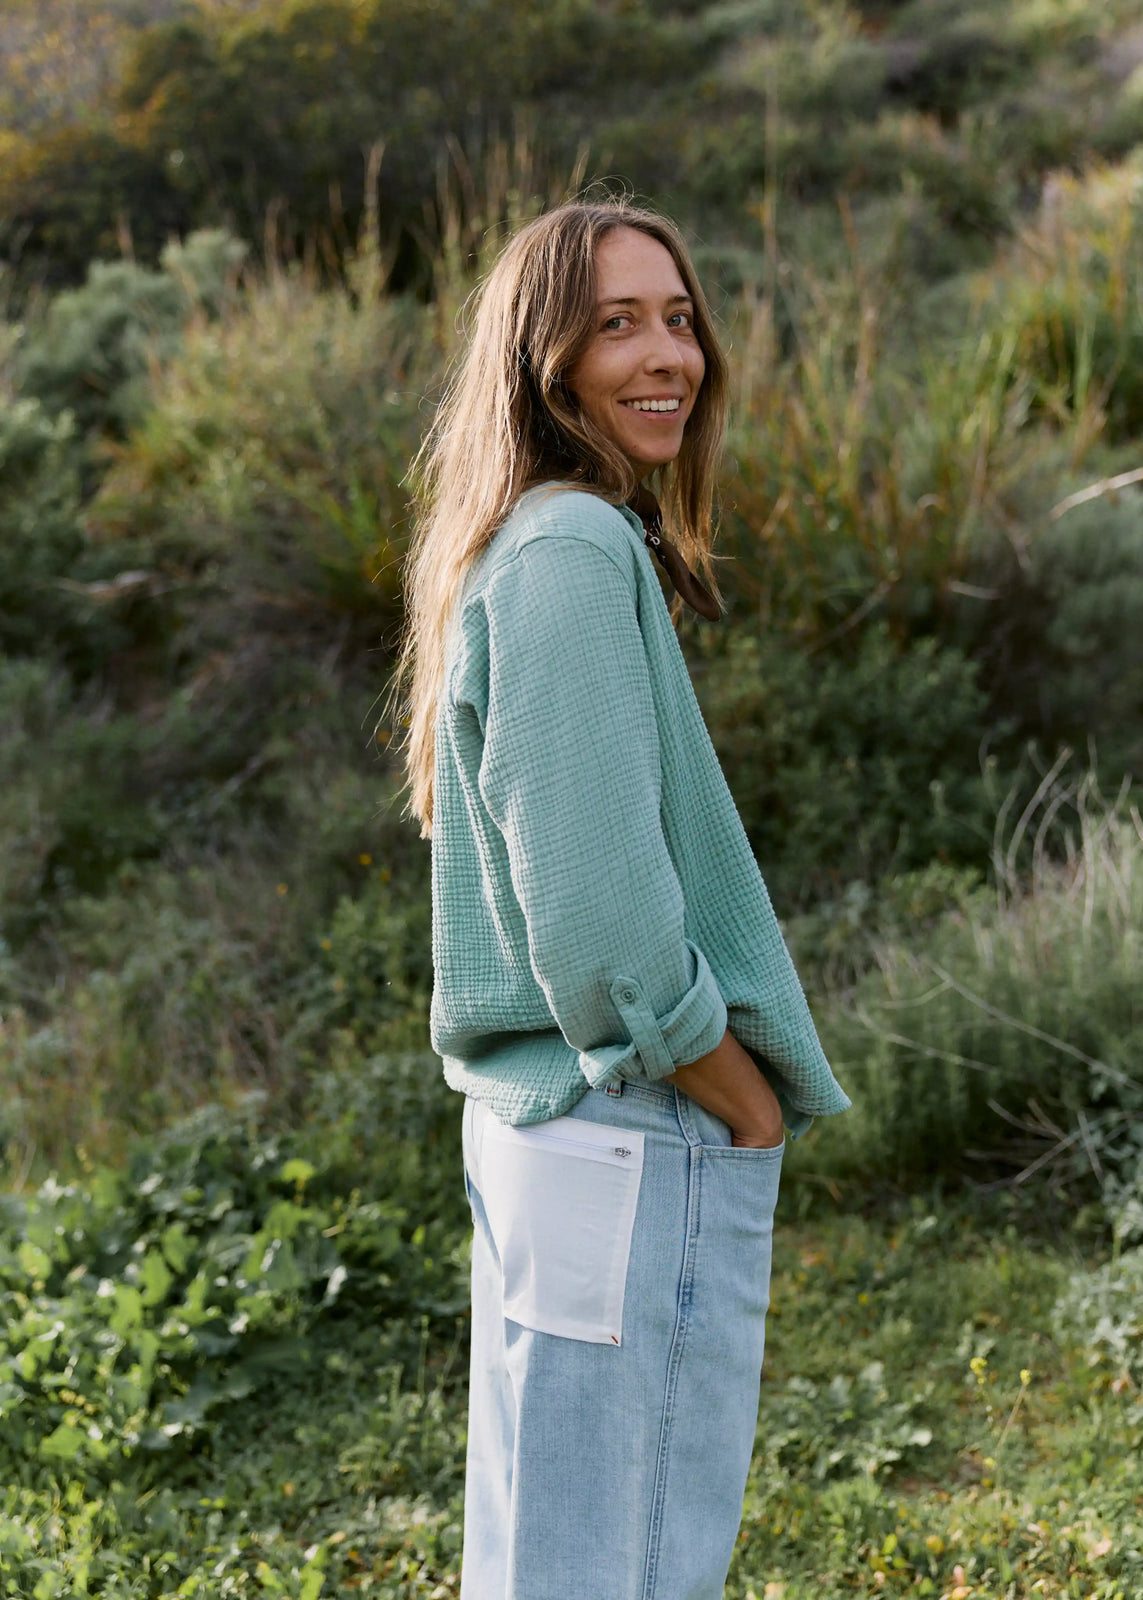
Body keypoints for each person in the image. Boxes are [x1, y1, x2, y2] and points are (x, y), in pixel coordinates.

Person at [389, 198, 851, 1600]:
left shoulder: (527, 542)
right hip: (629, 1125)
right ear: (546, 362)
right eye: (616, 325)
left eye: (680, 318)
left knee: (555, 1552)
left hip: (556, 1135)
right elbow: (600, 927)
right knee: (626, 1557)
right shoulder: (573, 552)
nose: (669, 356)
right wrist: (740, 1096)